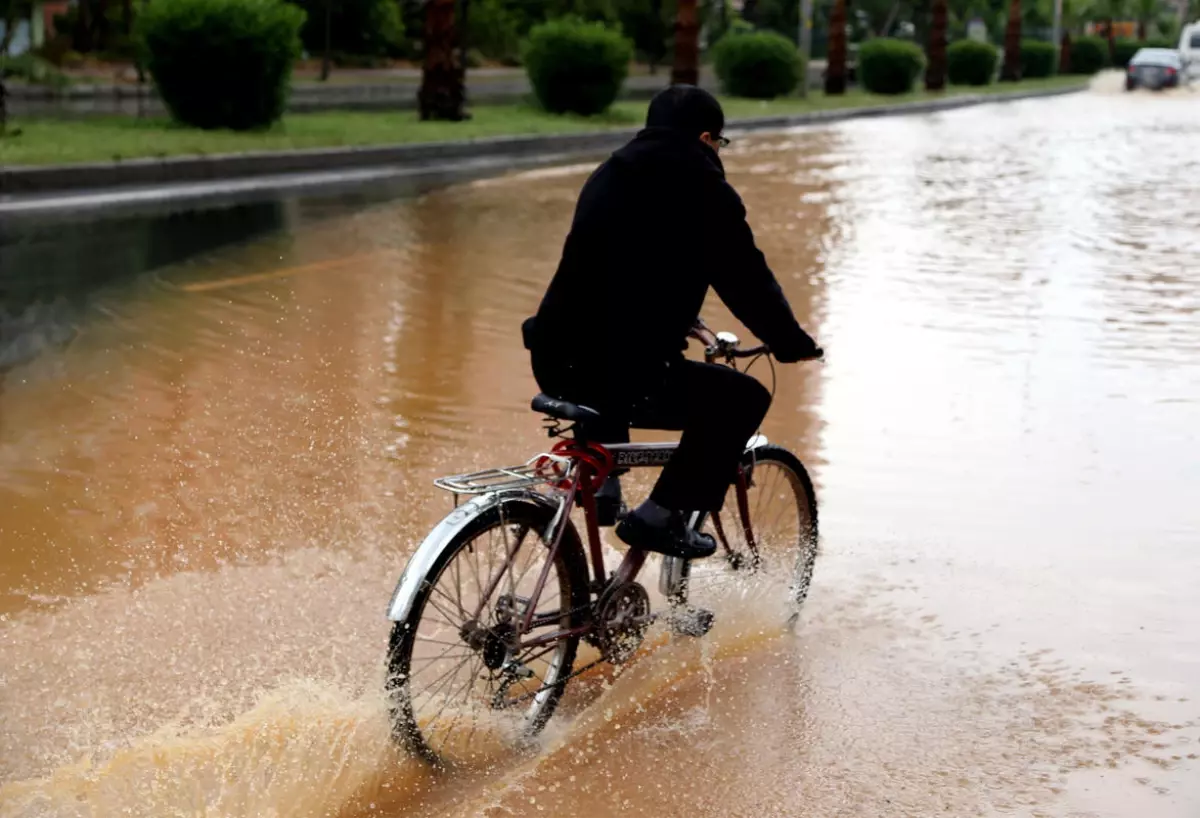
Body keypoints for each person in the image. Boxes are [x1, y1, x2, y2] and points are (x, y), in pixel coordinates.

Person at [522, 85, 822, 561]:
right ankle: (661, 517)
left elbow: (619, 270)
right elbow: (745, 276)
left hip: (554, 357)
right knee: (742, 398)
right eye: (719, 143)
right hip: (618, 370)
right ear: (706, 137)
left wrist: (685, 319)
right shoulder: (705, 188)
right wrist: (790, 341)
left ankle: (604, 493)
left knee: (607, 381)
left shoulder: (610, 172)